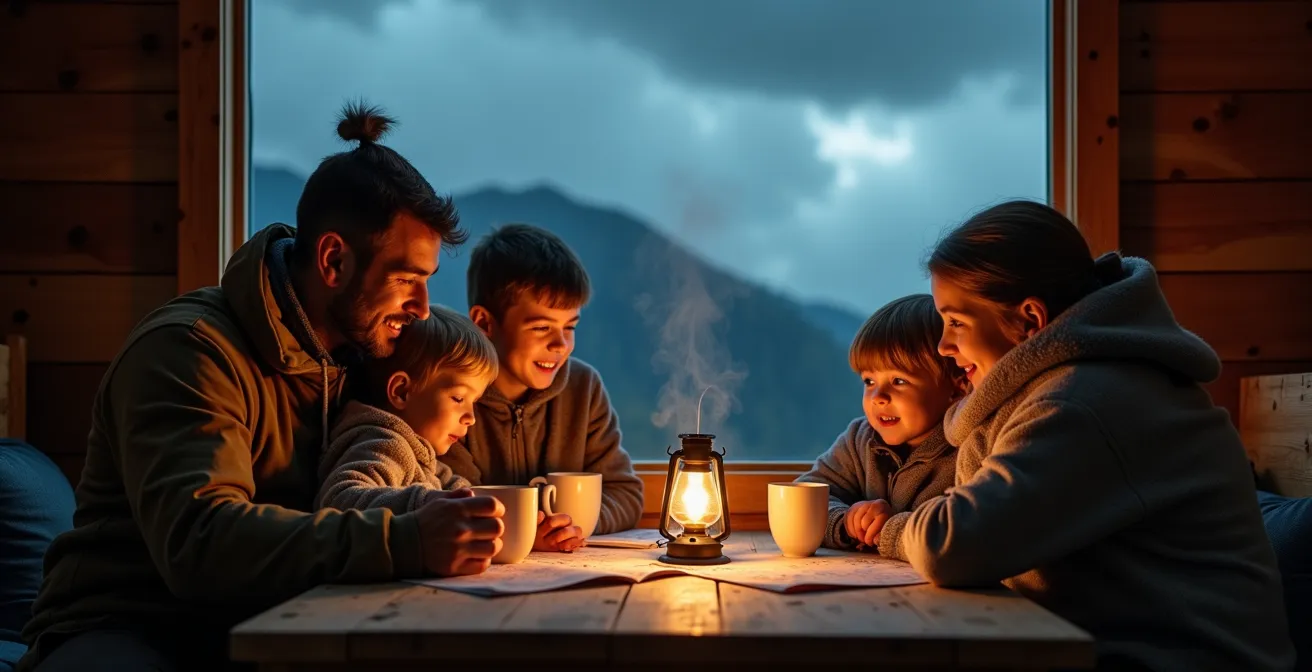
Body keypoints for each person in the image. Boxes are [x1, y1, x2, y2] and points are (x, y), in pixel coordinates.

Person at [18, 103, 505, 672]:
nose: (420, 309)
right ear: (333, 261)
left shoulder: (355, 358)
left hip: (273, 621)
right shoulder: (190, 351)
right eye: (406, 281)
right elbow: (200, 542)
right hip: (129, 625)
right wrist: (406, 539)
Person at [889, 199, 1295, 670]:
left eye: (956, 322)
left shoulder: (1084, 403)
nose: (943, 345)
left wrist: (892, 531)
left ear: (1030, 321)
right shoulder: (1071, 389)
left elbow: (953, 545)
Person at [439, 224, 643, 548]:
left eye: (569, 327)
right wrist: (525, 533)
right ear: (484, 323)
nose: (560, 344)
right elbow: (449, 500)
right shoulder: (451, 398)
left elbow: (625, 493)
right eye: (541, 327)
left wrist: (576, 525)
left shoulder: (584, 389)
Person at [795, 295, 963, 552]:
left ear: (954, 388)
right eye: (869, 382)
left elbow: (963, 532)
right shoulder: (859, 439)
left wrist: (892, 525)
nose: (879, 397)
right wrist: (847, 521)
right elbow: (805, 497)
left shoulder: (965, 450)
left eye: (898, 381)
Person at [316, 305, 497, 513]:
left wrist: (509, 520)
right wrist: (425, 504)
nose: (470, 418)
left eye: (473, 402)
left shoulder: (422, 458)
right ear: (402, 391)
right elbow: (339, 498)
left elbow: (453, 487)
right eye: (458, 398)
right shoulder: (384, 444)